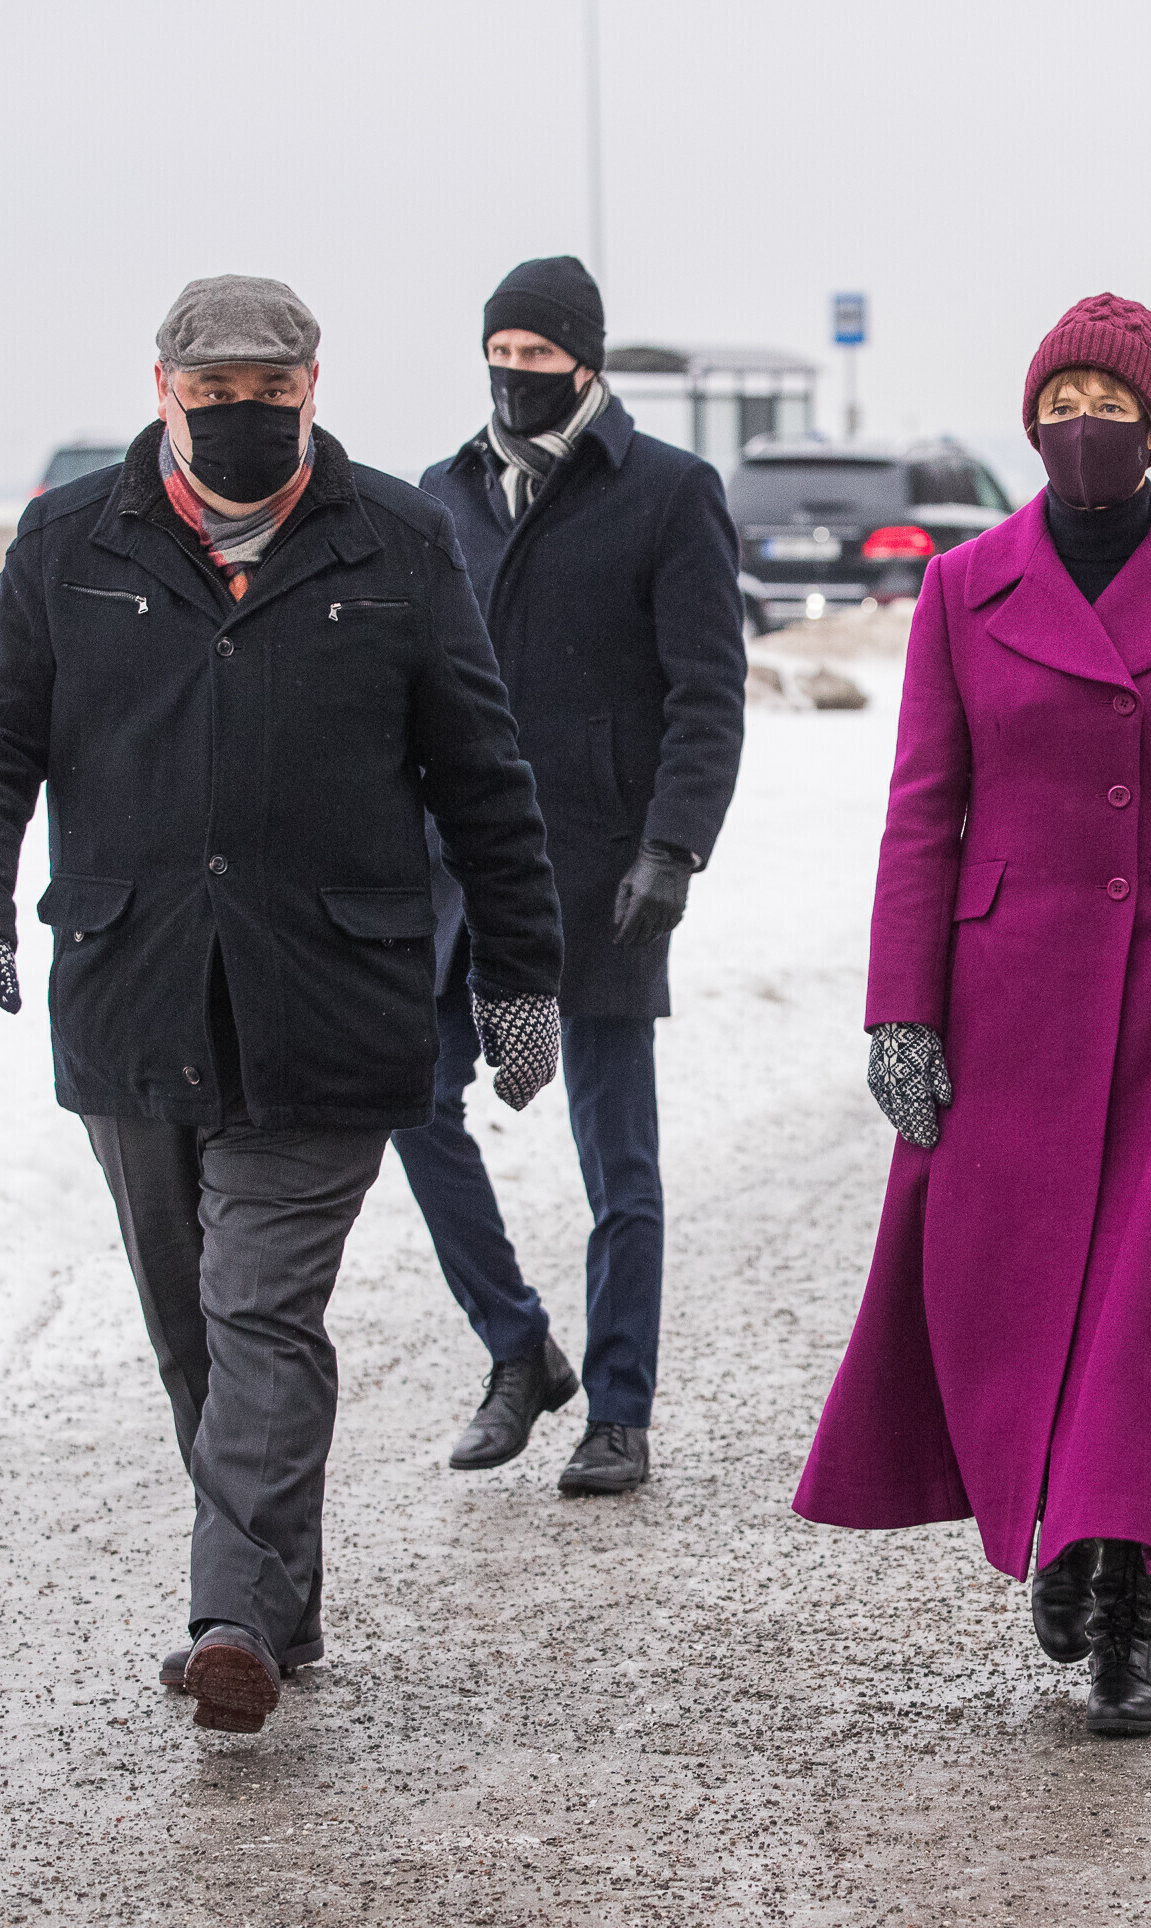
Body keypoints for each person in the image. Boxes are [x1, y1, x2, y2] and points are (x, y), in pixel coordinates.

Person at [0, 275, 564, 1736]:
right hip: (134, 994)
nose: (242, 420)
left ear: (313, 388)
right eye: (214, 398)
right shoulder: (69, 542)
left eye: (269, 396)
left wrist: (521, 972)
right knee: (191, 1336)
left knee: (258, 1308)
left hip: (329, 999)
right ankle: (279, 1599)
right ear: (164, 392)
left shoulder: (398, 539)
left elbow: (483, 773)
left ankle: (228, 1622)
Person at [794, 294, 1151, 1738]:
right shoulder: (961, 588)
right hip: (1002, 998)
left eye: (1112, 404)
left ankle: (1126, 1607)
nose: (1084, 424)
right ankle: (1052, 1512)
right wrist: (901, 1012)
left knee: (1145, 1306)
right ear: (1032, 418)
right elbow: (923, 811)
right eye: (1063, 400)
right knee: (1012, 1287)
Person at [405, 256, 747, 1496]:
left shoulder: (667, 491)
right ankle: (518, 1345)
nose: (515, 375)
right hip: (459, 875)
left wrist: (674, 844)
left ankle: (618, 1408)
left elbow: (708, 690)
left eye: (538, 356)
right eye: (499, 353)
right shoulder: (441, 496)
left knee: (618, 1158)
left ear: (585, 362)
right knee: (411, 1099)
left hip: (602, 870)